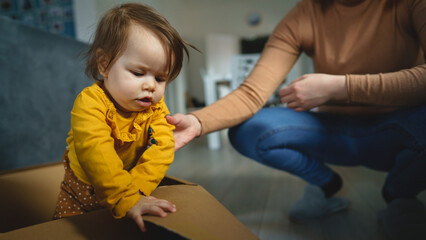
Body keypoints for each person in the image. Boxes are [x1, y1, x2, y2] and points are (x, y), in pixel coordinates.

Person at [166, 0, 426, 239]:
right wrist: (196, 121)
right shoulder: (307, 12)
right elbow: (251, 93)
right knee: (249, 130)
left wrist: (341, 87)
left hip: (398, 128)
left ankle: (400, 195)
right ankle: (325, 184)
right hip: (330, 130)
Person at [52, 3, 195, 232]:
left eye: (160, 78)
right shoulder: (89, 103)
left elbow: (162, 150)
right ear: (104, 64)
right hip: (80, 192)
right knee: (61, 232)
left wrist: (135, 193)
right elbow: (96, 150)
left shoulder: (156, 110)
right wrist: (124, 197)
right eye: (138, 73)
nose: (150, 85)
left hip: (128, 187)